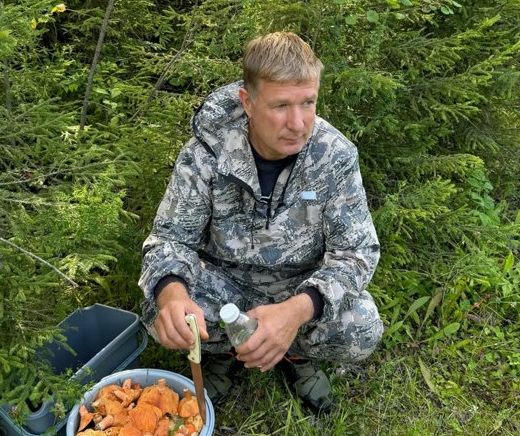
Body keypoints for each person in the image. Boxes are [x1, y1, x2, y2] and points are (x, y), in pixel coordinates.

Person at [138, 31, 383, 414]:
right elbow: (170, 240)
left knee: (361, 328)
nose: (298, 123)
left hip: (298, 286)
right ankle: (225, 349)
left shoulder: (334, 156)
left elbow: (356, 254)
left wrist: (296, 312)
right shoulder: (207, 154)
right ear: (248, 103)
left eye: (308, 103)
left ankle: (295, 355)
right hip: (224, 288)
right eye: (281, 105)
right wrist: (173, 295)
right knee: (160, 313)